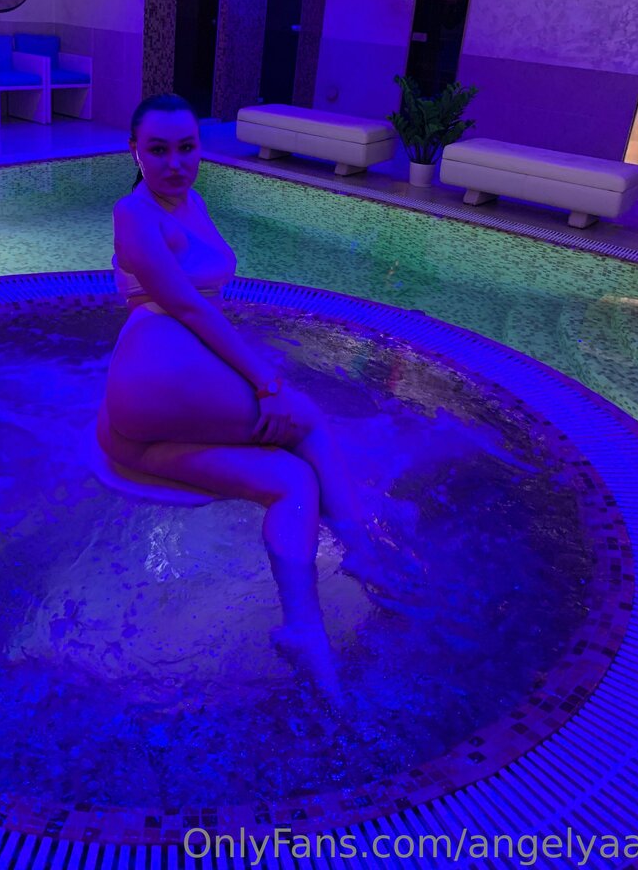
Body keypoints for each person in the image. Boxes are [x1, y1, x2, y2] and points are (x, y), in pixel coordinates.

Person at [97, 94, 410, 700]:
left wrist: (247, 373)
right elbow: (187, 306)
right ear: (134, 151)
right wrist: (266, 381)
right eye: (157, 150)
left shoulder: (192, 203)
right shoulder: (133, 212)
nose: (174, 163)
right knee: (305, 419)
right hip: (153, 372)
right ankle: (361, 552)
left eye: (186, 147)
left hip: (150, 405)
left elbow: (206, 308)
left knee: (291, 479)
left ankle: (303, 629)